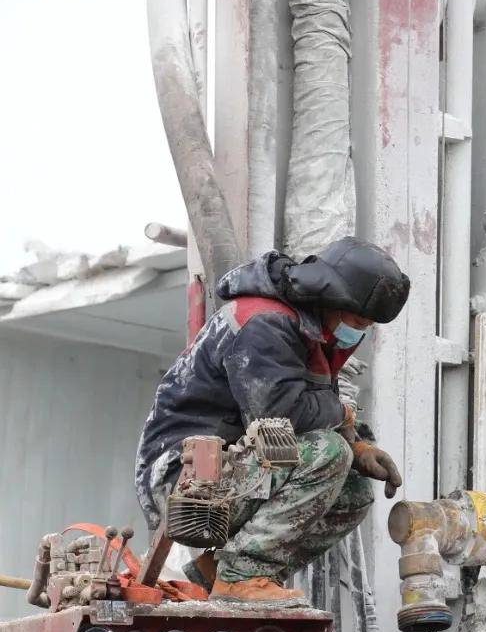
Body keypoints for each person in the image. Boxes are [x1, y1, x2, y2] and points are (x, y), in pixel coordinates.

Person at [135, 237, 410, 607]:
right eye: (360, 320)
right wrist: (343, 419)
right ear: (333, 299)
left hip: (230, 469)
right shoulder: (264, 323)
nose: (361, 332)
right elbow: (281, 417)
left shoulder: (310, 330)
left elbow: (310, 403)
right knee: (327, 453)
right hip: (182, 479)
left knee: (354, 490)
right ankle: (243, 575)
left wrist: (357, 444)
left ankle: (218, 571)